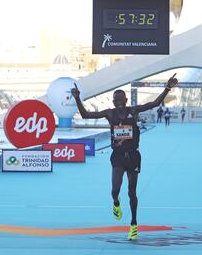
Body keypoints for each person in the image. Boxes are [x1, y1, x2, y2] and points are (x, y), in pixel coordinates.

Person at [71, 73, 178, 240]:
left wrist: (168, 88)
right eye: (116, 100)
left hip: (133, 156)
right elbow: (85, 115)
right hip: (118, 156)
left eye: (121, 100)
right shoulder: (109, 113)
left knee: (132, 192)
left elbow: (155, 103)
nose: (118, 103)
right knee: (115, 189)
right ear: (113, 102)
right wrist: (77, 99)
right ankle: (116, 203)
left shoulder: (133, 110)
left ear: (126, 100)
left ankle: (134, 224)